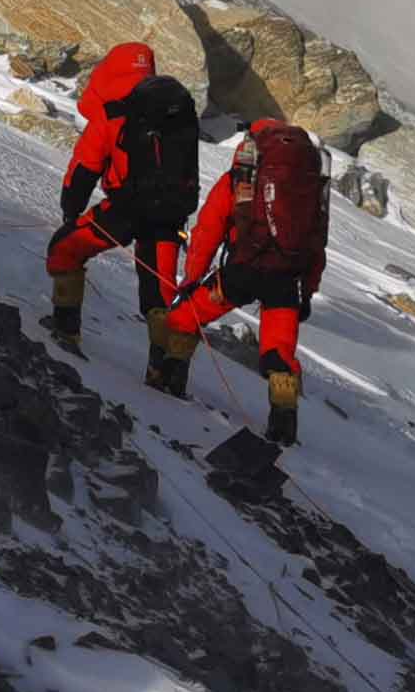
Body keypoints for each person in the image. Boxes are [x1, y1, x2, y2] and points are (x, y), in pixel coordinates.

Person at [154, 120, 327, 446]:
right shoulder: (308, 186)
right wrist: (307, 292)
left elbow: (208, 230)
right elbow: (317, 245)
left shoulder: (243, 176)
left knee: (185, 320)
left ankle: (169, 381)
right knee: (280, 356)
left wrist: (191, 278)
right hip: (285, 280)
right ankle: (283, 430)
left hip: (240, 273)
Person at [42, 43, 200, 374]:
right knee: (159, 294)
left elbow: (84, 168)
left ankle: (66, 329)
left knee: (65, 249)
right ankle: (164, 374)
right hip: (170, 217)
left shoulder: (114, 109)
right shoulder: (174, 109)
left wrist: (71, 212)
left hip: (125, 211)